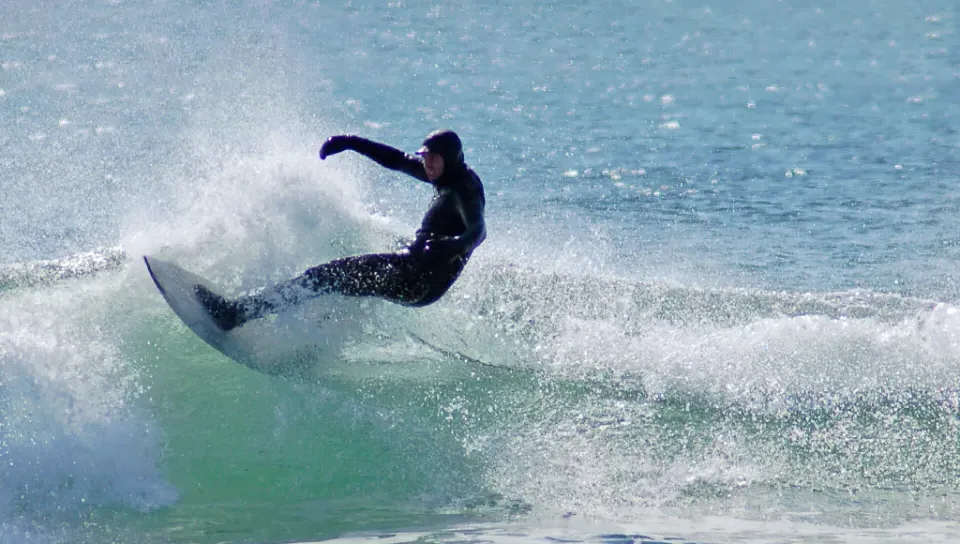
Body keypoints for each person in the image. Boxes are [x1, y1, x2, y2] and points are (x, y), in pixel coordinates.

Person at [195, 129, 486, 331]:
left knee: (324, 276)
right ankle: (307, 347)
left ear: (452, 157)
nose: (427, 164)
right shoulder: (443, 173)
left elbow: (478, 232)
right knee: (334, 285)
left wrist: (451, 246)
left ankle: (235, 314)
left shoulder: (465, 189)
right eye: (426, 156)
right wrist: (350, 142)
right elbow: (397, 160)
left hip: (414, 275)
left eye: (434, 158)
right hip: (416, 277)